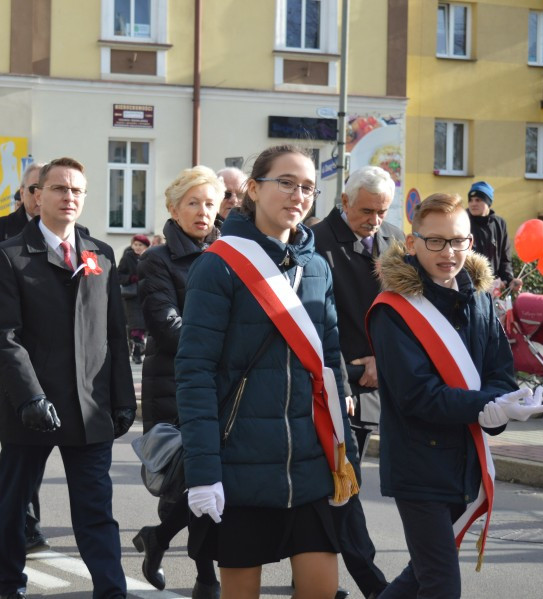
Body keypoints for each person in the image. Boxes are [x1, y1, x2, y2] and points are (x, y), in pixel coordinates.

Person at [176, 145, 358, 599]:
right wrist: (203, 471)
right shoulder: (218, 264)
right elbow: (195, 372)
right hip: (241, 465)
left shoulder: (317, 267)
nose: (299, 196)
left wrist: (346, 455)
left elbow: (330, 366)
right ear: (254, 190)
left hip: (309, 464)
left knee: (321, 590)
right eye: (286, 183)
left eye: (308, 188)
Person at [366, 193, 543, 598]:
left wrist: (506, 404)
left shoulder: (481, 300)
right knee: (441, 583)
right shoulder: (393, 309)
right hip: (418, 464)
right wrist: (485, 407)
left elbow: (499, 371)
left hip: (466, 457)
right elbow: (416, 394)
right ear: (413, 243)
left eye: (458, 241)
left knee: (420, 574)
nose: (448, 252)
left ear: (471, 242)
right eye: (435, 241)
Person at [0, 157, 136, 599]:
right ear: (37, 196)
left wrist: (122, 398)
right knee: (15, 503)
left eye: (77, 190)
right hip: (31, 407)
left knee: (95, 510)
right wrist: (29, 397)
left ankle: (112, 592)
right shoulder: (8, 255)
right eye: (59, 189)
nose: (69, 197)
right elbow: (3, 335)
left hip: (89, 407)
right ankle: (10, 584)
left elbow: (114, 333)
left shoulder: (100, 254)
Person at [132, 166, 222, 599]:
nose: (203, 212)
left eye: (210, 203)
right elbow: (167, 326)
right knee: (188, 480)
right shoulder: (156, 259)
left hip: (222, 385)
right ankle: (206, 577)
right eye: (193, 203)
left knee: (214, 479)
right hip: (174, 384)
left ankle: (160, 538)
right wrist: (226, 346)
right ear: (173, 209)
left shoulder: (230, 254)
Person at [311, 166, 400, 599]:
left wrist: (385, 359)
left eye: (382, 212)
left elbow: (406, 310)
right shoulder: (315, 242)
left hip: (382, 383)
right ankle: (373, 585)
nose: (375, 221)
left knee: (336, 487)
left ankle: (312, 574)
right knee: (345, 485)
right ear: (344, 201)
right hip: (336, 385)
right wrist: (347, 370)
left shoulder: (395, 240)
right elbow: (311, 319)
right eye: (367, 211)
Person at [0, 161, 51, 554]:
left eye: (45, 188)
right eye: (33, 188)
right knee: (20, 448)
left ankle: (25, 521)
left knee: (40, 447)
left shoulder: (73, 235)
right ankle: (24, 524)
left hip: (52, 359)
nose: (39, 196)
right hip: (13, 354)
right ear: (22, 192)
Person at [467, 181, 522, 293]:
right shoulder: (463, 221)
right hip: (467, 287)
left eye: (478, 200)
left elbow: (505, 259)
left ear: (488, 202)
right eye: (470, 200)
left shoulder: (499, 224)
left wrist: (509, 280)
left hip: (493, 290)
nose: (473, 204)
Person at [118, 234, 150, 364]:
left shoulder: (150, 257)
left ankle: (137, 346)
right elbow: (118, 275)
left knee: (144, 326)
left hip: (146, 295)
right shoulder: (127, 257)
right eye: (135, 244)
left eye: (140, 245)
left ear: (146, 247)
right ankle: (137, 353)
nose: (137, 247)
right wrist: (130, 278)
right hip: (132, 297)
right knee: (137, 325)